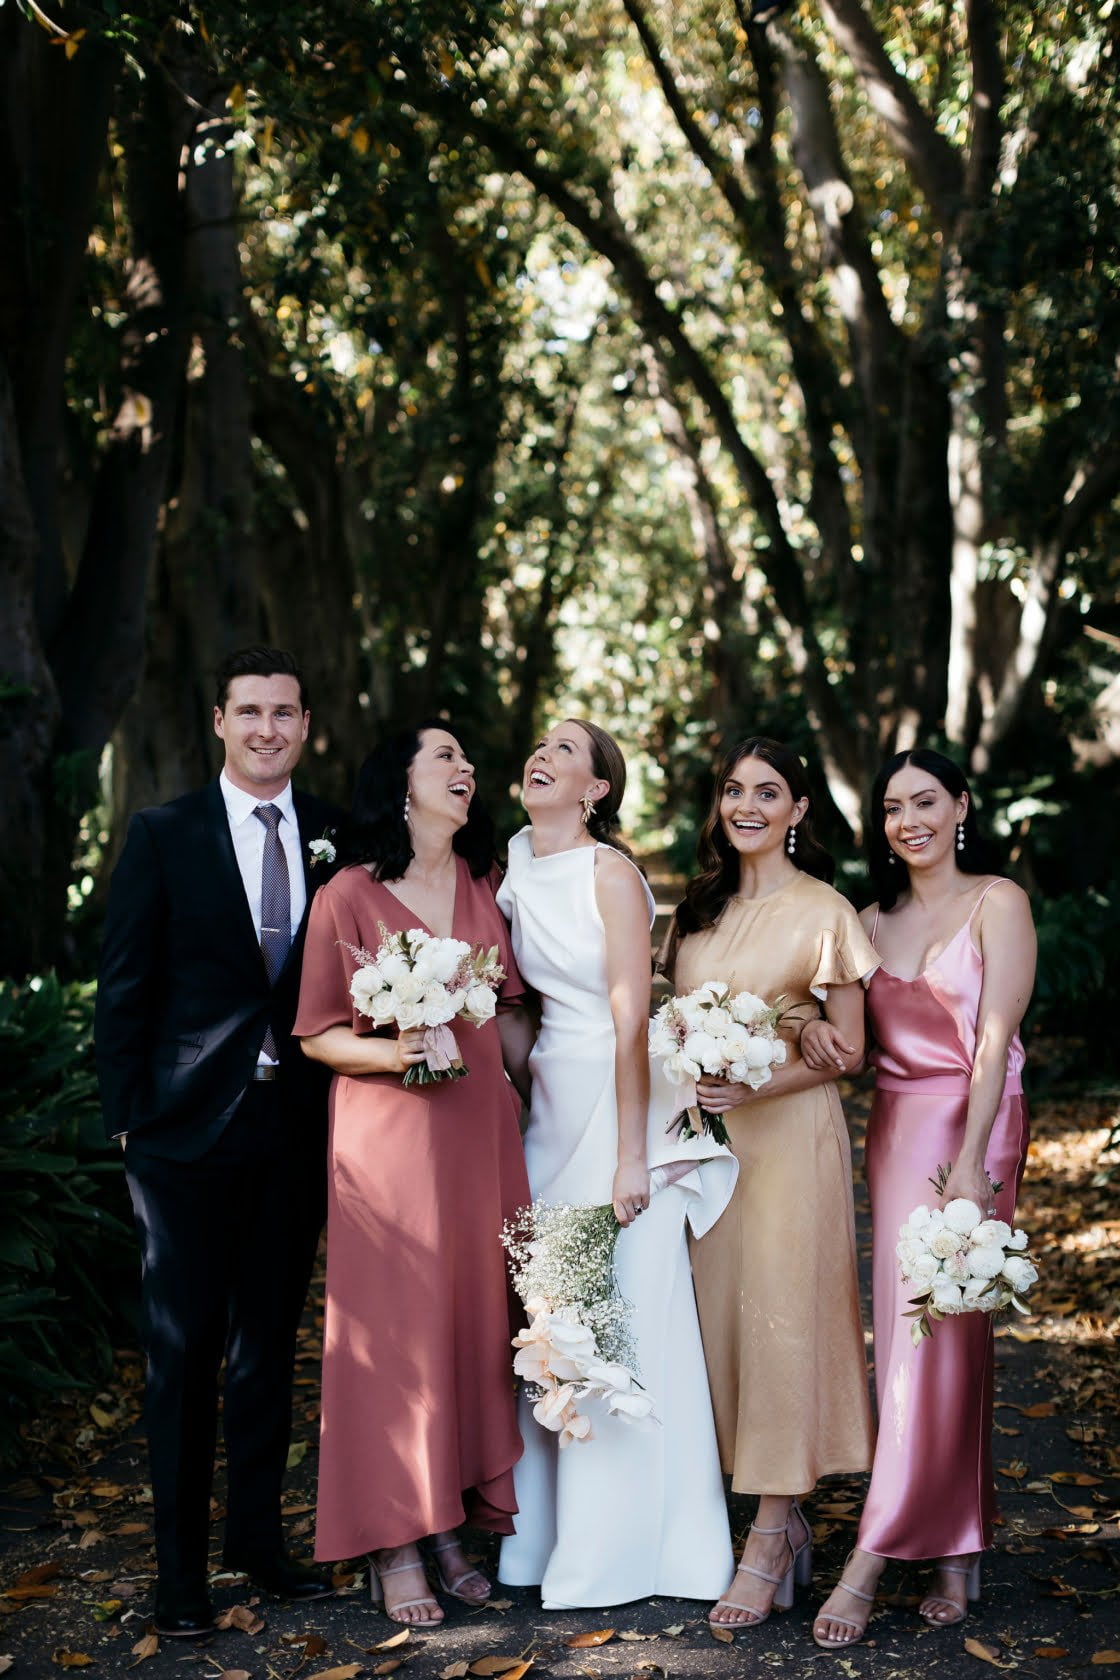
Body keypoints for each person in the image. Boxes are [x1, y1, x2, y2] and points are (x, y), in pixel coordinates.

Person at [96, 646, 338, 1637]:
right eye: (250, 712)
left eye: (284, 713)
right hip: (181, 1141)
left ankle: (257, 1544)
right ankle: (180, 1574)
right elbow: (124, 987)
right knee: (183, 1357)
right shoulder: (163, 834)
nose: (267, 729)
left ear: (306, 725)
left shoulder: (334, 838)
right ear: (219, 721)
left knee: (267, 1352)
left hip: (295, 1134)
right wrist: (129, 1122)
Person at [497, 721, 738, 1609]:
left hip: (620, 1103)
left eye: (567, 751)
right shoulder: (514, 862)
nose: (543, 756)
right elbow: (520, 1008)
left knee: (628, 1320)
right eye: (542, 746)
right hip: (552, 1103)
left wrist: (633, 1155)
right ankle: (545, 1542)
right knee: (557, 1321)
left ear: (596, 789)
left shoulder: (610, 875)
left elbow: (632, 1015)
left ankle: (638, 1553)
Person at [294, 724, 531, 1627]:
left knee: (467, 1327)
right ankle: (393, 1541)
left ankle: (447, 1526)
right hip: (390, 1142)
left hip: (479, 1137)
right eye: (445, 757)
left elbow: (513, 1011)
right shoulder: (348, 895)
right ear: (400, 783)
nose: (466, 768)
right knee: (397, 1335)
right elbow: (318, 1034)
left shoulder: (482, 883)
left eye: (468, 759)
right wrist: (397, 1053)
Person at [804, 748, 1035, 1649]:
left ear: (961, 806)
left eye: (926, 801)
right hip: (897, 1132)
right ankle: (957, 1545)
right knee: (916, 1341)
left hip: (976, 1128)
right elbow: (851, 1041)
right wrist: (803, 1033)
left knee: (939, 1333)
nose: (910, 821)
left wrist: (974, 1160)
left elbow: (995, 1038)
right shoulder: (867, 921)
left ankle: (872, 1556)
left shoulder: (998, 902)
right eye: (894, 807)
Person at [662, 737, 879, 1630]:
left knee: (783, 1318)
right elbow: (668, 1019)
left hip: (789, 1137)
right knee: (723, 1323)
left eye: (767, 792)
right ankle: (769, 1523)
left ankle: (771, 1530)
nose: (746, 806)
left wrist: (769, 1069)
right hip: (710, 1146)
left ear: (798, 810)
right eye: (733, 790)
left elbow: (849, 1050)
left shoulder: (825, 910)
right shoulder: (697, 910)